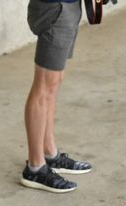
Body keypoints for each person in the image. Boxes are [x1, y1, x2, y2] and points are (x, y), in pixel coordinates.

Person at [23, 0, 92, 193]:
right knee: (43, 88)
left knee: (53, 83)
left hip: (69, 6)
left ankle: (49, 153)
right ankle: (35, 167)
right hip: (54, 8)